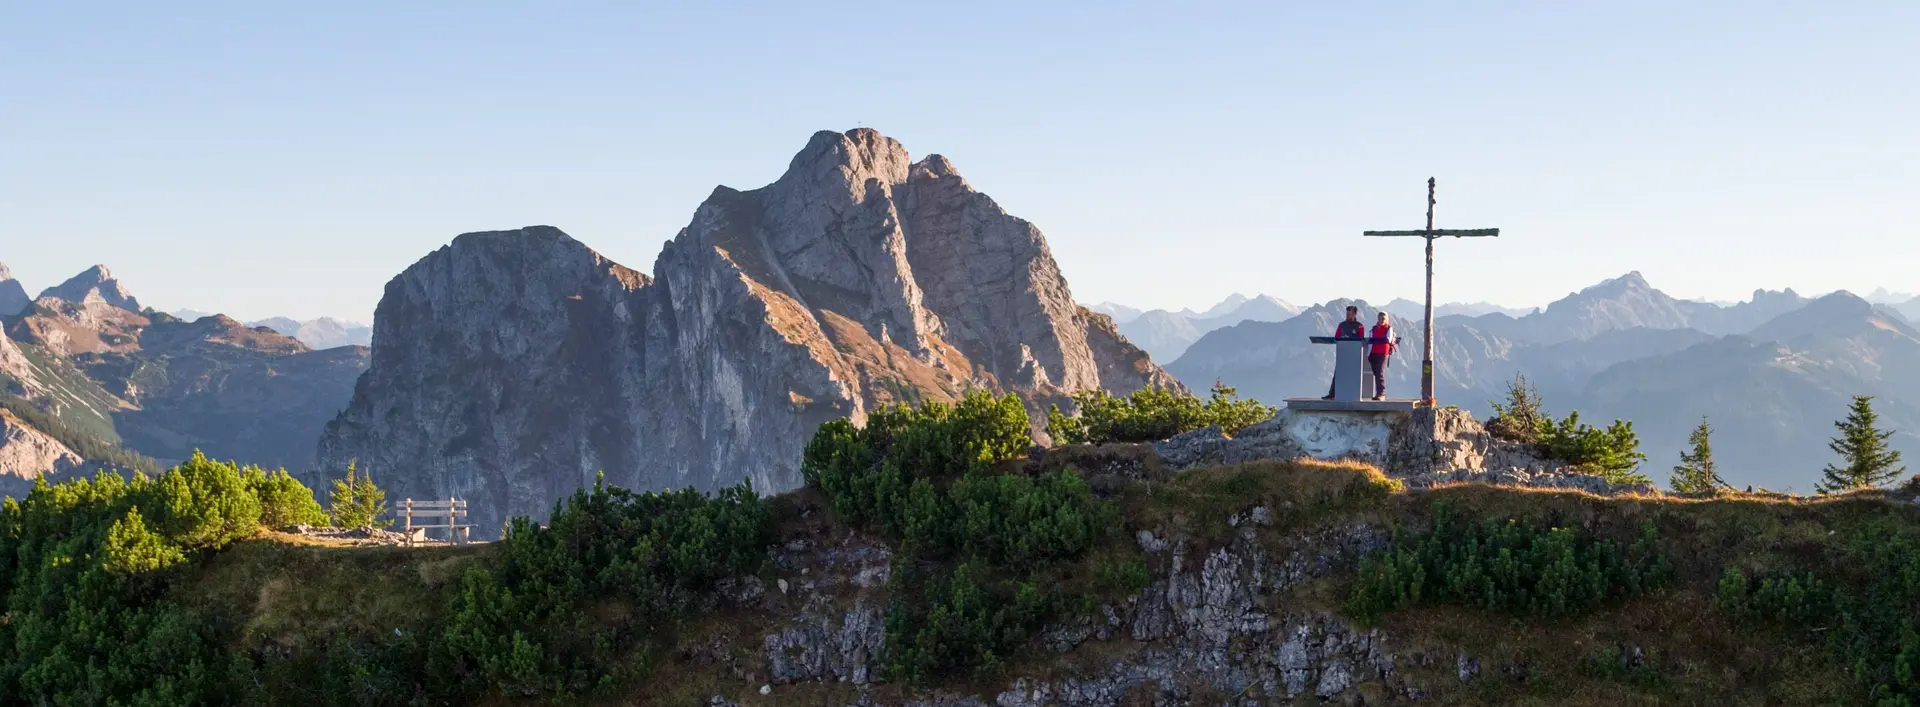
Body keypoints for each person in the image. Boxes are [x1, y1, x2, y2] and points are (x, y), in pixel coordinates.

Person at [1322, 306, 1366, 400]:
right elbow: (1336, 337)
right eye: (1346, 314)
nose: (1347, 316)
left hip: (1354, 356)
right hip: (1342, 354)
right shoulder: (1341, 325)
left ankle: (1354, 395)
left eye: (1349, 314)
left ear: (1354, 314)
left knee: (1354, 375)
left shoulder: (1359, 326)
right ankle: (1332, 394)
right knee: (1338, 374)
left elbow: (1361, 339)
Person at [1368, 312, 1396, 400]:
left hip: (1383, 353)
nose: (1381, 320)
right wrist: (1368, 354)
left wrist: (1377, 340)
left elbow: (1388, 339)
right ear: (1378, 318)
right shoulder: (1373, 329)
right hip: (1373, 353)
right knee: (1376, 373)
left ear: (1386, 319)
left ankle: (1381, 393)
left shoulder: (1389, 328)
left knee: (1379, 372)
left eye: (1383, 318)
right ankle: (1378, 393)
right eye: (1380, 318)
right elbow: (1370, 341)